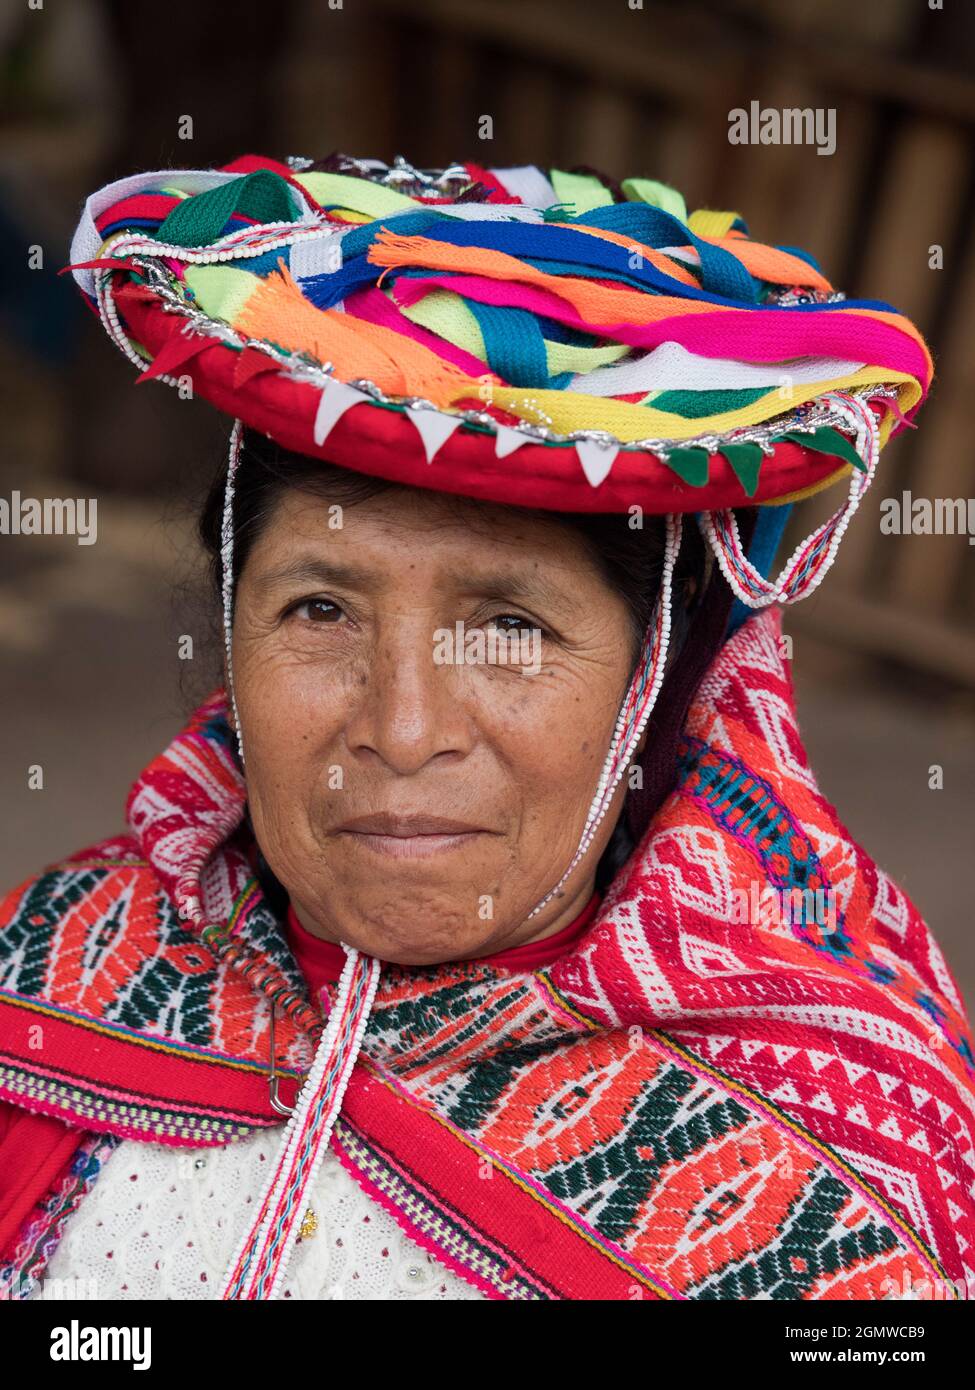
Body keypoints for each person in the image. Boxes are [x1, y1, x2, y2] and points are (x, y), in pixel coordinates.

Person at [1, 153, 972, 1301]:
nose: (403, 732)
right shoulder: (49, 977)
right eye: (320, 610)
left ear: (652, 683)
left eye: (511, 627)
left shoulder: (847, 1157)